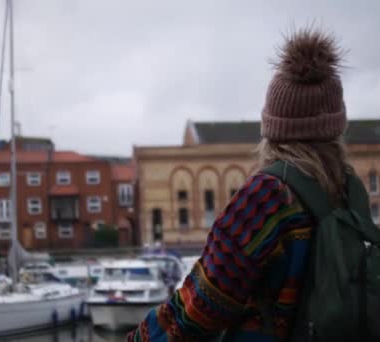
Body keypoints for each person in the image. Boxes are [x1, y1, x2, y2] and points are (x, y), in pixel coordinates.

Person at [128, 27, 350, 341]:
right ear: (336, 127)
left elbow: (202, 304)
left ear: (272, 129)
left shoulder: (268, 196)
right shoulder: (348, 191)